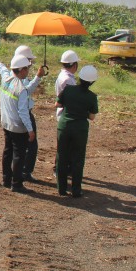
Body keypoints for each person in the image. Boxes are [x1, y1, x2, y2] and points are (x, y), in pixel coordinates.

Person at [0, 54, 42, 193]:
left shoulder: (6, 79)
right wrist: (30, 130)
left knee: (7, 151)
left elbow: (2, 69)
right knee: (19, 155)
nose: (28, 71)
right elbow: (23, 112)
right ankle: (16, 184)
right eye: (27, 69)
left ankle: (6, 179)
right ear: (21, 70)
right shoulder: (21, 89)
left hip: (6, 123)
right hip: (17, 127)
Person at [55, 65, 99, 198]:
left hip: (64, 126)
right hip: (80, 129)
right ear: (92, 82)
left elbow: (58, 105)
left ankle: (61, 189)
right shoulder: (92, 96)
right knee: (78, 159)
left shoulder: (68, 89)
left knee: (61, 156)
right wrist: (82, 112)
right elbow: (92, 117)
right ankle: (76, 190)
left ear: (80, 77)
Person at [12, 45, 45, 182]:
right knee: (30, 146)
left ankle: (18, 172)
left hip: (15, 115)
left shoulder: (14, 75)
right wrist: (38, 78)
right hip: (24, 113)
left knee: (17, 146)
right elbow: (26, 93)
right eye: (29, 61)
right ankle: (25, 172)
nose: (31, 64)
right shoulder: (21, 77)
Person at [54, 50, 80, 178]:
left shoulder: (63, 76)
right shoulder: (68, 80)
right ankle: (59, 169)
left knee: (65, 144)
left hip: (63, 113)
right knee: (65, 145)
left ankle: (62, 168)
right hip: (66, 114)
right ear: (74, 65)